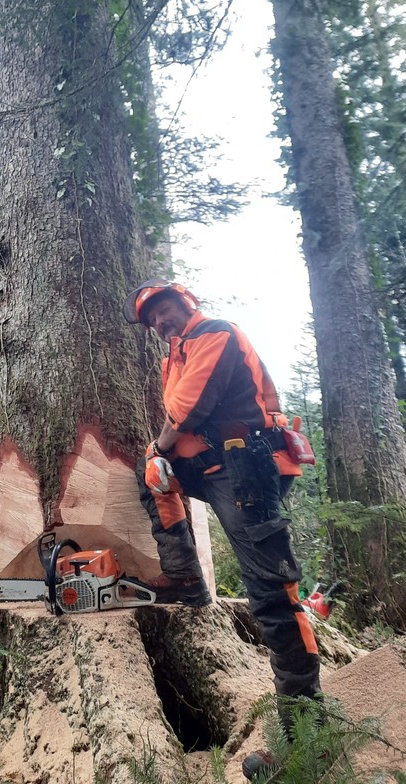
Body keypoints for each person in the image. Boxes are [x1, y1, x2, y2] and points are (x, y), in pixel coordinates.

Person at [123, 279, 321, 780]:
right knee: (151, 472)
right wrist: (159, 457)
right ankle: (185, 578)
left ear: (185, 304)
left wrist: (162, 447)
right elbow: (179, 424)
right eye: (153, 320)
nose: (160, 322)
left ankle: (307, 736)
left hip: (247, 470)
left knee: (274, 599)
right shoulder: (178, 350)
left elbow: (189, 410)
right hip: (214, 468)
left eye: (164, 310)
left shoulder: (213, 333)